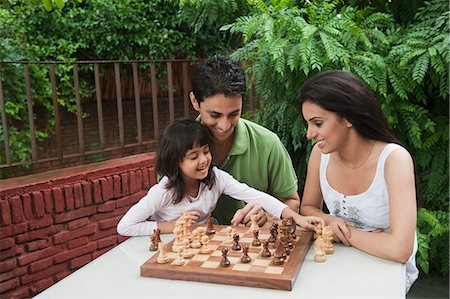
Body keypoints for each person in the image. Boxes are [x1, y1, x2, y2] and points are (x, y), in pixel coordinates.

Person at [297, 70, 418, 291]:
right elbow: (307, 207)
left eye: (317, 123)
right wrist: (328, 220)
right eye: (308, 124)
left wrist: (345, 233)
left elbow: (400, 249)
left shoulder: (394, 160)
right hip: (336, 266)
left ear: (348, 118)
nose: (309, 134)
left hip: (385, 272)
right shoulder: (319, 155)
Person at [117, 119, 323, 235]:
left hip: (203, 241)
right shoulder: (164, 191)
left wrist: (297, 218)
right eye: (193, 156)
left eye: (206, 151)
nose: (204, 160)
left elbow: (255, 196)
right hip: (170, 248)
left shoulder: (215, 178)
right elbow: (125, 226)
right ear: (175, 163)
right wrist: (176, 226)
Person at [189, 56, 300, 226]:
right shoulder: (176, 147)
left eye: (234, 114)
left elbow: (292, 201)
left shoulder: (268, 143)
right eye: (215, 115)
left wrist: (268, 215)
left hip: (256, 247)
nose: (224, 126)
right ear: (195, 101)